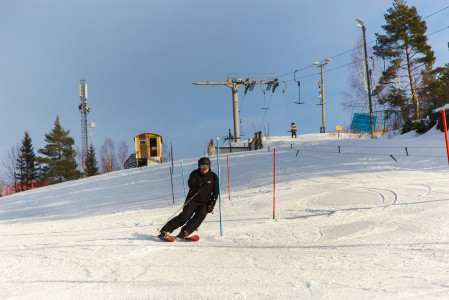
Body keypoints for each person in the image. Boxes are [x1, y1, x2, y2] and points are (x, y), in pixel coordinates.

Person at [158, 157, 219, 239]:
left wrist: (212, 204)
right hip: (192, 200)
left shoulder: (213, 177)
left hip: (205, 203)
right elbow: (190, 183)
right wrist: (198, 186)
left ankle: (185, 232)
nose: (204, 169)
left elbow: (215, 192)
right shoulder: (195, 174)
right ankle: (165, 231)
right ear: (199, 166)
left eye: (206, 167)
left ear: (209, 166)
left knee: (200, 216)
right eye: (202, 167)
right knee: (184, 217)